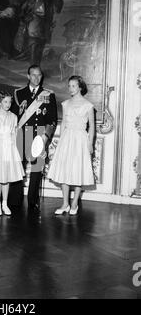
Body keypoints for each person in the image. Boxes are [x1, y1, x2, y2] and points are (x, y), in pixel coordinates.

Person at [10, 64, 58, 212]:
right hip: (22, 134)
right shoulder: (19, 93)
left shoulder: (49, 95)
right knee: (18, 167)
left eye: (39, 75)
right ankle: (14, 199)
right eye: (33, 75)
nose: (37, 78)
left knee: (37, 169)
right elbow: (13, 117)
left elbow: (52, 120)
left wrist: (45, 137)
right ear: (28, 76)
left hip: (39, 135)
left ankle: (32, 201)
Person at [48, 76, 95, 216]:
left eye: (73, 86)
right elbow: (63, 124)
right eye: (69, 86)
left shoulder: (88, 105)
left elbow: (91, 126)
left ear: (80, 87)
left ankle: (74, 202)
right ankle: (65, 203)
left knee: (77, 170)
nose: (70, 88)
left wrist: (90, 143)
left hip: (80, 140)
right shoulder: (66, 104)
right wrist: (60, 141)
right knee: (65, 171)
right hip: (67, 139)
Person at [0, 91, 25, 216]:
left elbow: (14, 135)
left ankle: (4, 203)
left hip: (9, 149)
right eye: (5, 102)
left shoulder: (13, 117)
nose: (8, 104)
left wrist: (15, 152)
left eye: (10, 102)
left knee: (6, 178)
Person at [14, 0, 64, 66]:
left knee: (41, 41)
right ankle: (34, 66)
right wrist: (13, 7)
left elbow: (58, 0)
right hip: (33, 14)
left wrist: (57, 11)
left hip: (46, 15)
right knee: (34, 38)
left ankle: (36, 65)